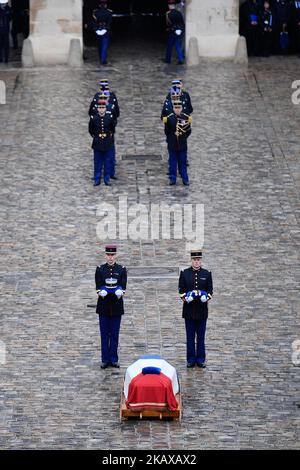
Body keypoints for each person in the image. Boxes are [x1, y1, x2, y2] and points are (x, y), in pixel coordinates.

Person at [178, 250, 213, 368]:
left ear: (201, 260)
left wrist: (206, 297)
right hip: (189, 311)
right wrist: (185, 298)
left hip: (202, 311)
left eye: (198, 260)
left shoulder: (207, 273)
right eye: (194, 260)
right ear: (191, 260)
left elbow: (210, 290)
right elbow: (181, 291)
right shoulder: (184, 273)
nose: (196, 262)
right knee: (190, 337)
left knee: (201, 336)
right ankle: (191, 359)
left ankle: (201, 359)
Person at [95, 245, 127, 369]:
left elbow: (123, 286)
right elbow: (98, 286)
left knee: (114, 334)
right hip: (103, 307)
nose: (110, 257)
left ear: (116, 255)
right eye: (108, 255)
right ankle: (105, 359)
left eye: (112, 255)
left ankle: (114, 358)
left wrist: (120, 292)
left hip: (116, 306)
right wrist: (101, 292)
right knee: (104, 334)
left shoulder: (121, 269)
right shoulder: (100, 269)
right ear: (105, 255)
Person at [163, 99, 192, 186]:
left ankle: (185, 179)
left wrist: (183, 138)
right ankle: (173, 178)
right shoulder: (169, 118)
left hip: (182, 145)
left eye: (179, 107)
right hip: (172, 144)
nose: (177, 109)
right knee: (172, 162)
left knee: (182, 162)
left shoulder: (186, 118)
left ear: (181, 108)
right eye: (176, 108)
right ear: (173, 108)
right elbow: (167, 131)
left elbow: (188, 131)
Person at [88, 98, 116, 186]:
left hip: (107, 142)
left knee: (107, 161)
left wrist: (108, 137)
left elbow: (112, 129)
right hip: (97, 143)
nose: (101, 109)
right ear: (97, 109)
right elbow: (91, 130)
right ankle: (97, 179)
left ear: (105, 108)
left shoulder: (109, 118)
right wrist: (96, 137)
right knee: (97, 162)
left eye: (103, 107)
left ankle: (106, 179)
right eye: (99, 107)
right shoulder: (94, 118)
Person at [164, 0, 185, 64]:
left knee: (169, 46)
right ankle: (181, 60)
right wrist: (180, 30)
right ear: (174, 5)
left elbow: (168, 24)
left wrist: (169, 28)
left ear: (169, 6)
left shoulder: (168, 14)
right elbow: (182, 23)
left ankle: (168, 60)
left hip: (172, 31)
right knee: (178, 46)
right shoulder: (179, 13)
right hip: (179, 31)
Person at [93, 0, 113, 65]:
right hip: (105, 30)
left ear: (99, 5)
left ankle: (101, 57)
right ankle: (103, 60)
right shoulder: (109, 12)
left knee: (100, 45)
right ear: (106, 5)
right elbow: (109, 22)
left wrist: (96, 29)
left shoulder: (95, 12)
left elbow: (94, 22)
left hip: (98, 29)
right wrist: (106, 28)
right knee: (104, 45)